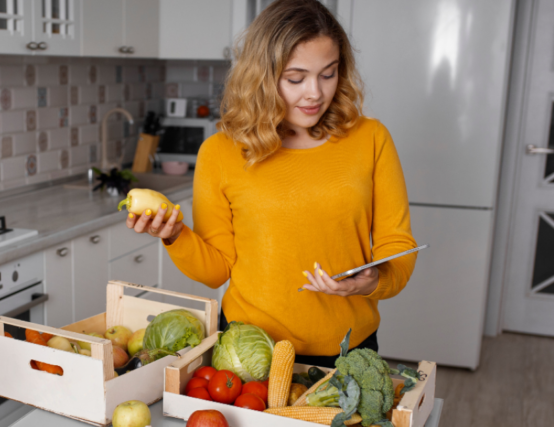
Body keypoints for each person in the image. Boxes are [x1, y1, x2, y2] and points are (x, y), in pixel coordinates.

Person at [126, 0, 417, 368]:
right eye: (295, 78)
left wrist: (371, 282)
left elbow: (399, 246)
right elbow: (217, 268)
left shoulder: (371, 138)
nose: (315, 93)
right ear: (261, 76)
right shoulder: (221, 152)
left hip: (348, 351)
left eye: (328, 74)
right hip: (249, 349)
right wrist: (173, 235)